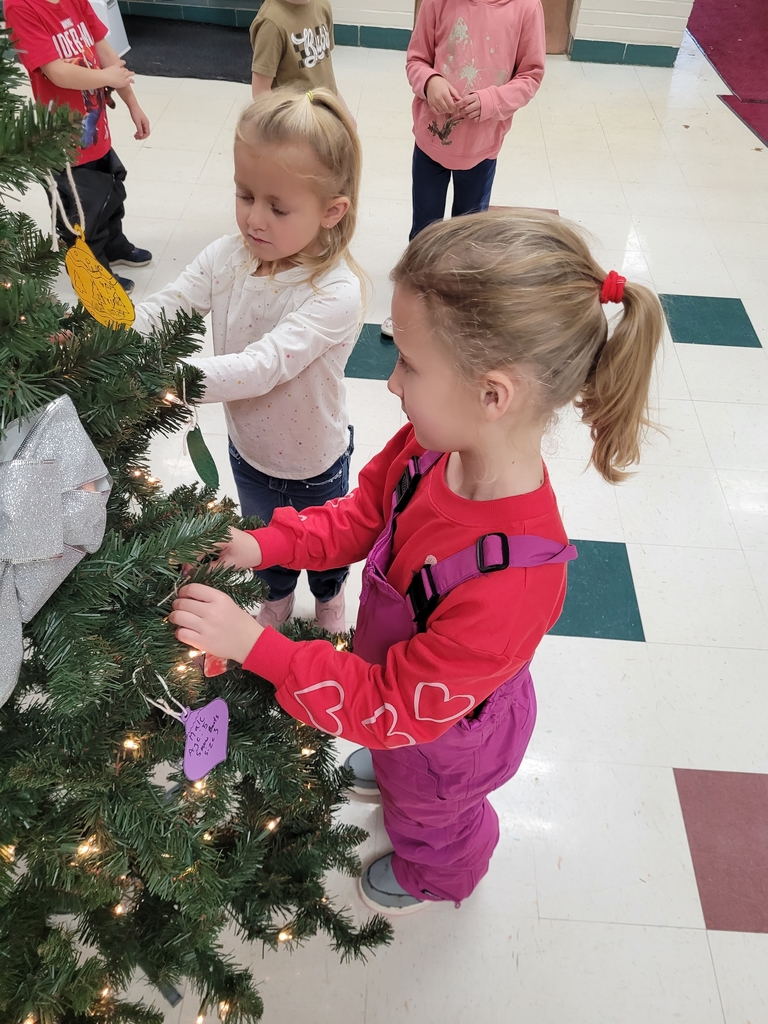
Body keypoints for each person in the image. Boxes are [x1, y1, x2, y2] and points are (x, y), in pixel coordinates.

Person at [169, 209, 663, 913]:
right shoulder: (430, 446)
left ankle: (442, 875)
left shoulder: (517, 579)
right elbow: (359, 517)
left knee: (429, 819)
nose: (392, 383)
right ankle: (393, 764)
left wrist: (255, 645)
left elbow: (392, 705)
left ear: (492, 395)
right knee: (395, 751)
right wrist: (261, 544)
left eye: (409, 362)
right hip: (405, 698)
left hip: (448, 745)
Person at [133, 87, 363, 633]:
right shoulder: (226, 257)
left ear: (331, 211)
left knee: (325, 550)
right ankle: (277, 596)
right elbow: (168, 306)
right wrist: (111, 330)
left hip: (315, 463)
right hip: (250, 452)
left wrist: (167, 379)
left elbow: (263, 366)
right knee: (262, 541)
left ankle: (329, 597)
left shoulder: (336, 292)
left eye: (278, 208)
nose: (254, 219)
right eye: (245, 195)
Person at [381, 0, 546, 337]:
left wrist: (492, 101)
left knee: (468, 238)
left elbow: (530, 76)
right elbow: (416, 59)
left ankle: (458, 308)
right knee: (424, 231)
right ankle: (413, 302)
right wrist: (430, 82)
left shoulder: (527, 8)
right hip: (431, 143)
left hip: (481, 149)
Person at [5, 0, 153, 295]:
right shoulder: (20, 7)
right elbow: (56, 72)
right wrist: (106, 77)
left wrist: (132, 103)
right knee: (82, 213)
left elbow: (105, 51)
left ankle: (113, 245)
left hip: (95, 132)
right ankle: (92, 274)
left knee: (110, 192)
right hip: (63, 142)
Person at [250, 0, 338, 99]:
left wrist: (340, 106)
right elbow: (260, 94)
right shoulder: (271, 24)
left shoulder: (322, 5)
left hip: (328, 103)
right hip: (297, 108)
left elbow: (326, 73)